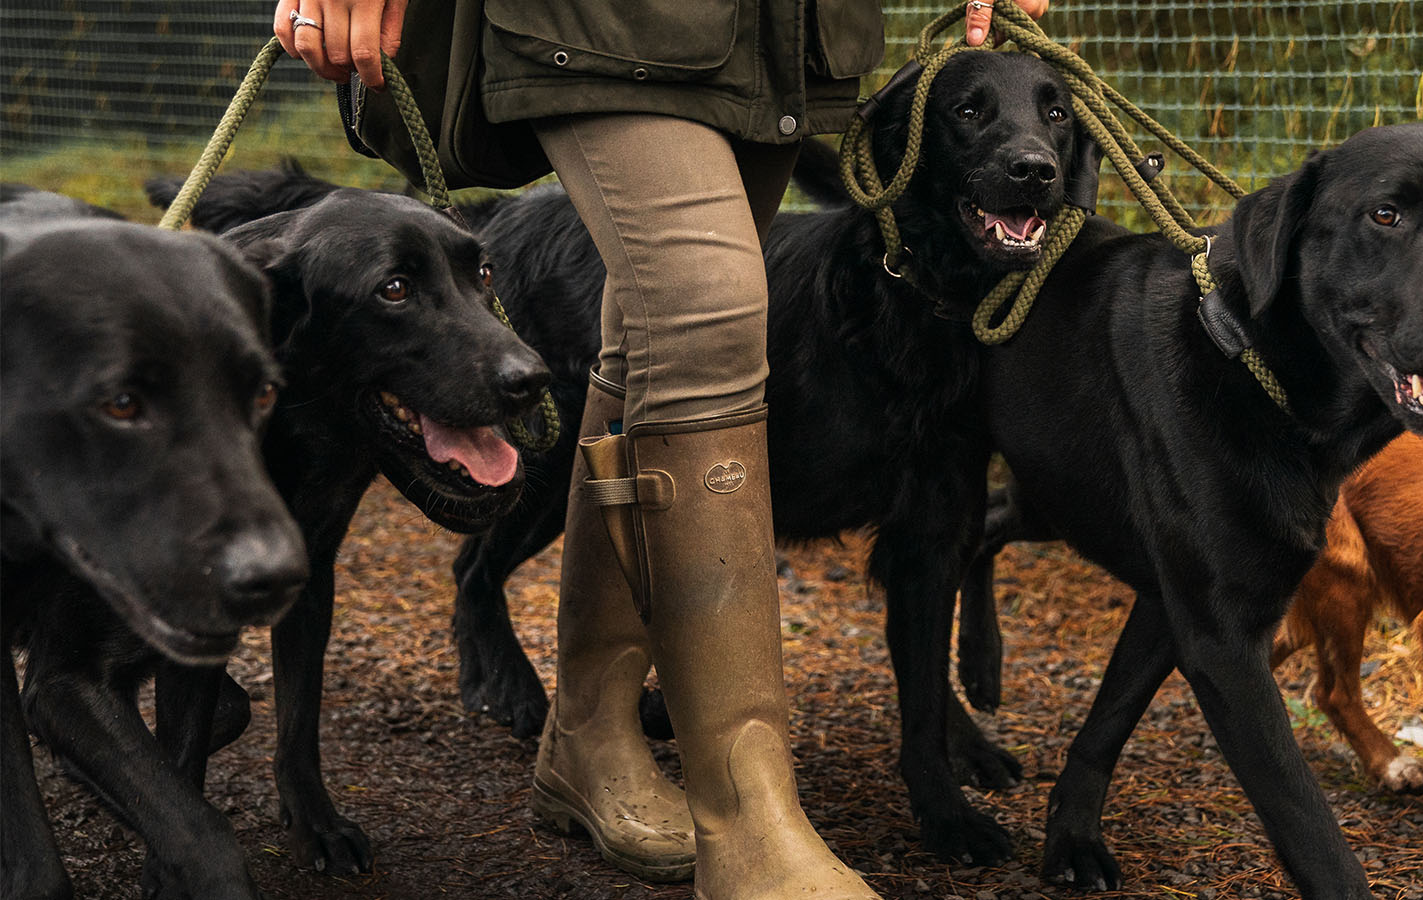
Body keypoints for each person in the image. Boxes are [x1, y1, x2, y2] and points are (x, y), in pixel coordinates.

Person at [273, 0, 1045, 896]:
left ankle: (589, 732)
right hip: (605, 24)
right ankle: (743, 809)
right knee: (709, 309)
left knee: (645, 336)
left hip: (776, 32)